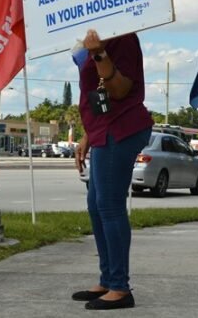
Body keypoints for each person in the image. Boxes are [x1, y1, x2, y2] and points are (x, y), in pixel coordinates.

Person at [73, 28, 153, 310]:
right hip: (104, 129)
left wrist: (98, 53)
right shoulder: (102, 37)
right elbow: (98, 94)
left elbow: (120, 89)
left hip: (122, 128)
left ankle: (120, 287)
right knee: (96, 205)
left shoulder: (123, 38)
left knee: (109, 205)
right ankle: (108, 279)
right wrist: (87, 135)